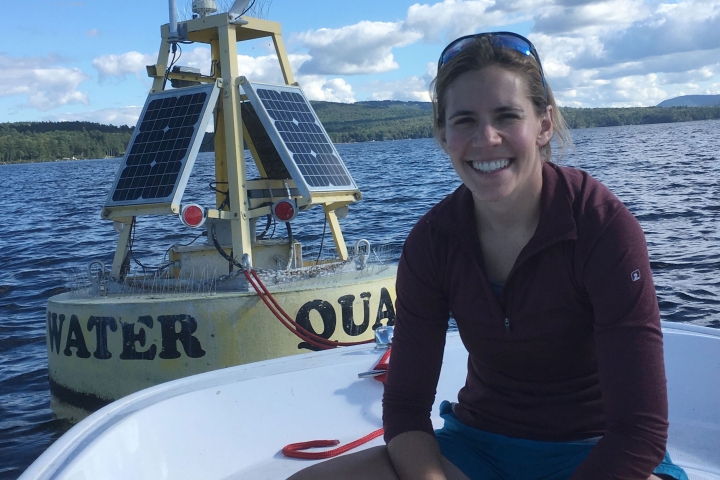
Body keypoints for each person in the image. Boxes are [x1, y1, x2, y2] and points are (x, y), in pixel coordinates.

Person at [288, 32, 688, 480]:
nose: (486, 138)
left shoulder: (601, 226)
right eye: (464, 121)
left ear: (543, 125)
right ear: (442, 135)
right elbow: (405, 406)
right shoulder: (433, 242)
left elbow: (639, 431)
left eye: (506, 116)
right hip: (477, 448)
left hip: (598, 453)